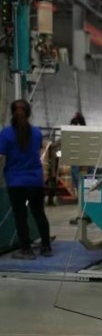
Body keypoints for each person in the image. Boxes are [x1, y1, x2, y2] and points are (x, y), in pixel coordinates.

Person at [0, 99, 52, 259]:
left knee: (20, 215)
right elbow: (36, 151)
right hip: (35, 181)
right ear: (28, 113)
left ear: (12, 113)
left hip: (16, 182)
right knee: (39, 214)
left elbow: (1, 156)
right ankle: (46, 247)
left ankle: (26, 248)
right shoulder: (36, 133)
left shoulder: (6, 134)